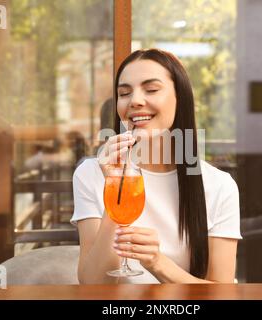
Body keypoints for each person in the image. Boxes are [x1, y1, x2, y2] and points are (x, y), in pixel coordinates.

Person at [71, 48, 241, 284]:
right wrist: (115, 193)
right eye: (124, 93)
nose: (135, 101)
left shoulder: (219, 186)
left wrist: (157, 263)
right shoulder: (91, 173)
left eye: (151, 89)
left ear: (179, 98)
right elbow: (93, 284)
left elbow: (222, 294)